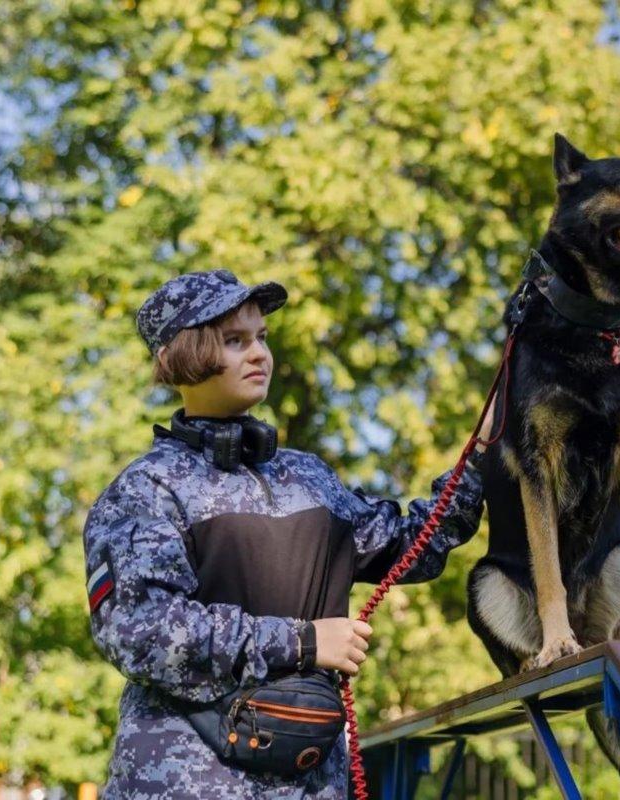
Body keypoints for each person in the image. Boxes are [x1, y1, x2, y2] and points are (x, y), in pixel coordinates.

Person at [82, 269, 490, 798]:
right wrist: (304, 642)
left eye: (262, 338)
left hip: (312, 782)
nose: (259, 354)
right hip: (187, 784)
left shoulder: (309, 478)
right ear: (180, 357)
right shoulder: (145, 489)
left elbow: (415, 543)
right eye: (235, 341)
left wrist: (482, 456)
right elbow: (141, 634)